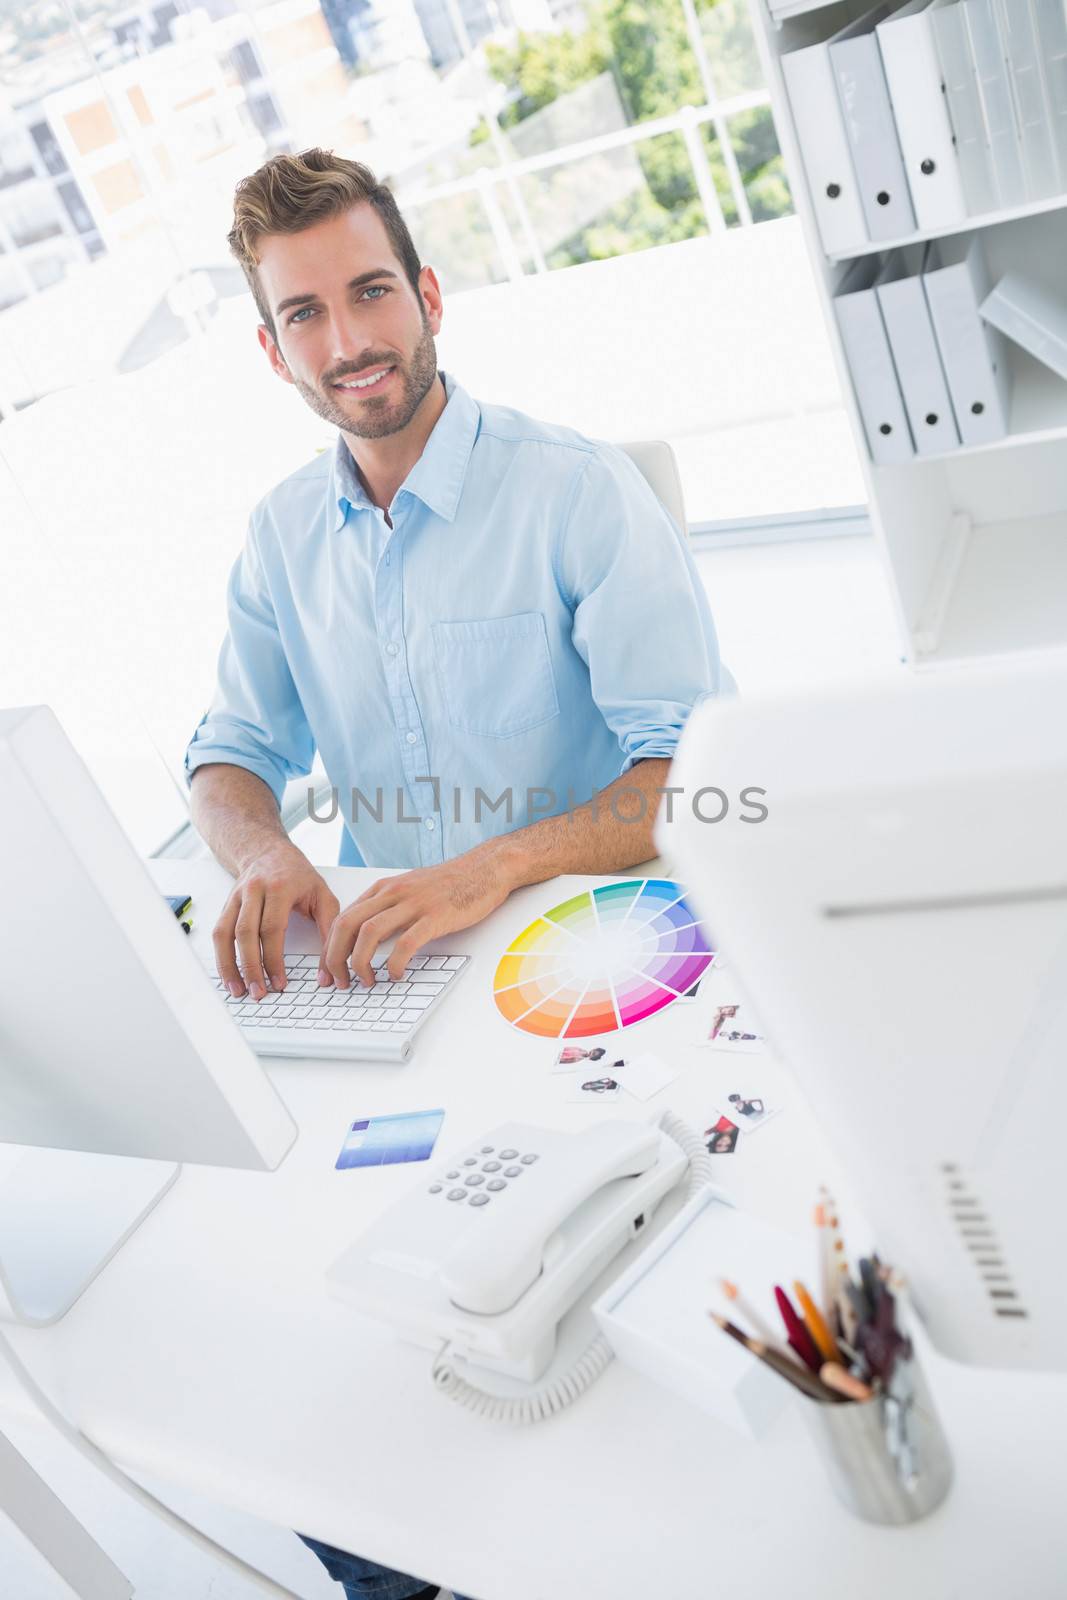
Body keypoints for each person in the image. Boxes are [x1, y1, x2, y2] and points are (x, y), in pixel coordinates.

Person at [185, 148, 730, 1600]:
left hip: (596, 970)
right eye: (306, 314)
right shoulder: (281, 539)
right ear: (271, 346)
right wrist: (264, 853)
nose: (349, 342)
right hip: (399, 992)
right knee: (296, 1349)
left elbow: (696, 769)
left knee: (560, 1349)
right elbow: (227, 753)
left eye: (371, 293)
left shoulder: (576, 494)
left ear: (427, 293)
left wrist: (491, 867)